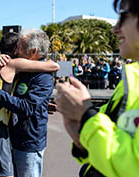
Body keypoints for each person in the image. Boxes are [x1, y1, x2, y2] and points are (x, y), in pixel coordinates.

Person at [55, 0, 139, 176]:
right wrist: (81, 136)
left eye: (123, 16)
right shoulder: (132, 77)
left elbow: (133, 166)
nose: (115, 29)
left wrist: (86, 116)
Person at [0, 29, 57, 177]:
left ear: (34, 51)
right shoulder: (22, 67)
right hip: (12, 138)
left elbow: (26, 107)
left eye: (20, 47)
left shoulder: (43, 77)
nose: (16, 51)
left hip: (29, 143)